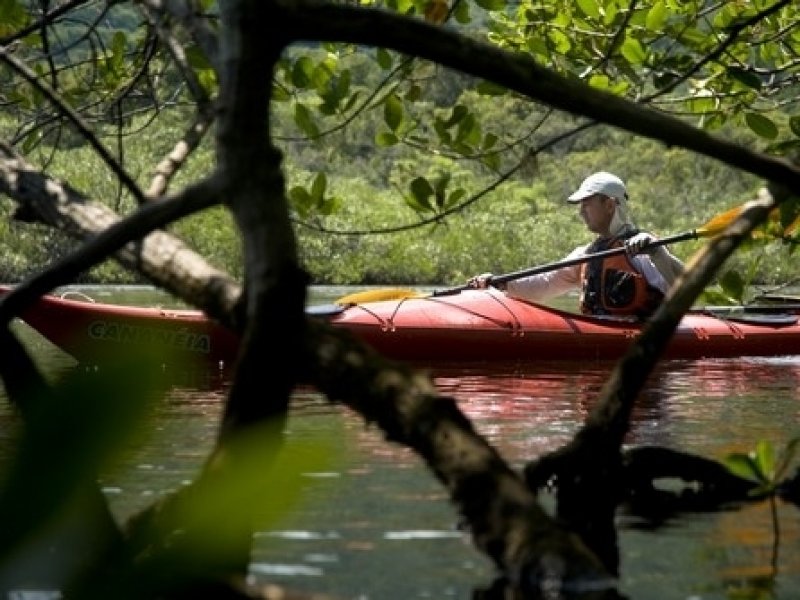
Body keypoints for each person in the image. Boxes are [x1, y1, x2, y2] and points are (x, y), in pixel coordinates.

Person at [468, 171, 684, 319]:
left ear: (609, 205)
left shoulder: (644, 247)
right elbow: (544, 283)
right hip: (601, 334)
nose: (581, 212)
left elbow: (683, 292)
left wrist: (657, 252)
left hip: (642, 336)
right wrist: (500, 283)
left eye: (587, 204)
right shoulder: (585, 254)